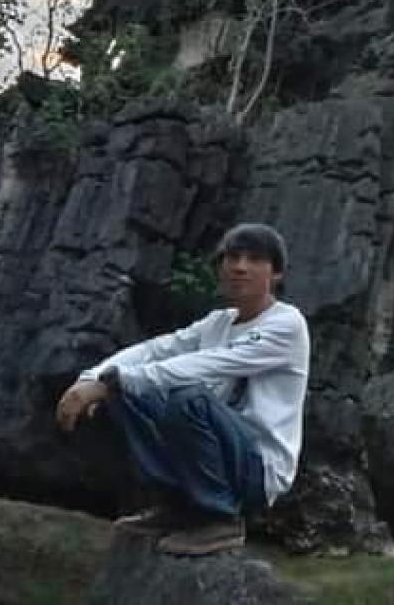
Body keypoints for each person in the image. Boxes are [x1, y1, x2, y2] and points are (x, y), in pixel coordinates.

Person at [55, 222, 310, 556]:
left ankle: (220, 519)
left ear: (276, 273)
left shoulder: (286, 325)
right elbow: (157, 350)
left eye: (254, 259)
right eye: (232, 257)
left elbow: (207, 364)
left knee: (187, 397)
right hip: (215, 453)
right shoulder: (218, 322)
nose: (240, 267)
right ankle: (177, 504)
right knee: (129, 392)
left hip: (257, 469)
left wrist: (113, 381)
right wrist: (93, 378)